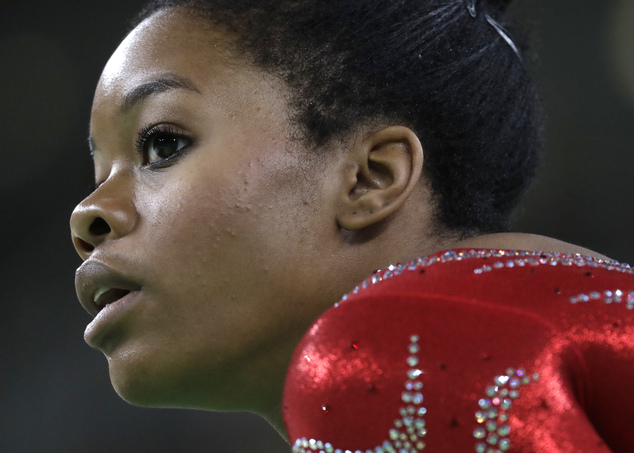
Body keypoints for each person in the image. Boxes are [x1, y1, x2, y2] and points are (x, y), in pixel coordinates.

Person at [69, 0, 633, 451]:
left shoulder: (399, 352)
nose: (87, 214)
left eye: (162, 144)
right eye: (99, 172)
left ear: (369, 178)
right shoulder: (534, 324)